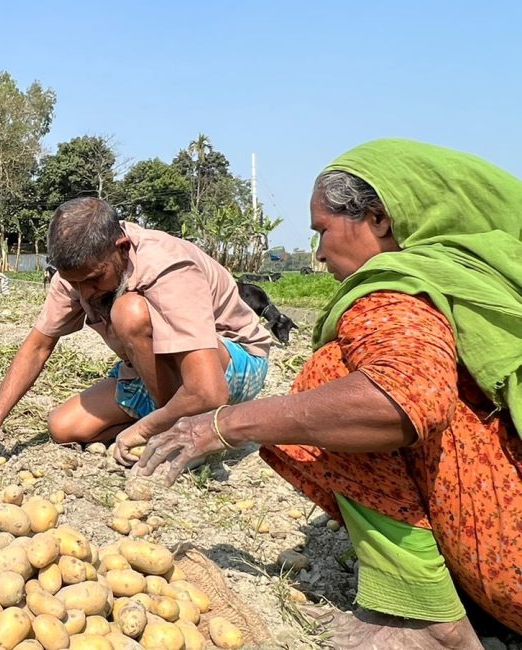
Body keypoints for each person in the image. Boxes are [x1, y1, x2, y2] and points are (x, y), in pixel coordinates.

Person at [133, 139, 522, 647]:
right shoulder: (488, 280)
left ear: (379, 218)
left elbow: (400, 400)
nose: (318, 252)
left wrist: (230, 423)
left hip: (509, 570)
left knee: (329, 380)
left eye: (322, 231)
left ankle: (426, 621)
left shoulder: (398, 294)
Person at [0, 197, 271, 465]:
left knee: (128, 313)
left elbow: (207, 390)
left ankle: (187, 430)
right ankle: (170, 420)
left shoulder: (167, 265)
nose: (85, 293)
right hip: (157, 372)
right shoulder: (78, 275)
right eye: (74, 283)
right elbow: (38, 346)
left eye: (94, 279)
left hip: (232, 364)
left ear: (121, 248)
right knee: (63, 427)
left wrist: (144, 429)